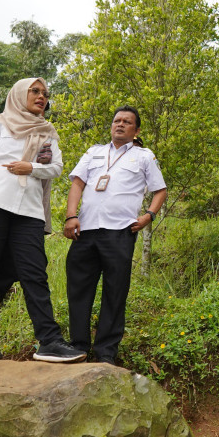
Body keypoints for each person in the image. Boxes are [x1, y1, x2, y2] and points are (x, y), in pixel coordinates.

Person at [0, 78, 85, 363]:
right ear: (18, 94)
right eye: (35, 91)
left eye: (45, 94)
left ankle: (49, 341)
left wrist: (32, 167)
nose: (42, 97)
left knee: (35, 274)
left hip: (28, 211)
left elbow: (56, 168)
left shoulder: (47, 132)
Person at [64, 106, 167, 365]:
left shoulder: (144, 156)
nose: (120, 124)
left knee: (115, 291)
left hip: (120, 232)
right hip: (85, 230)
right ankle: (77, 346)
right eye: (117, 120)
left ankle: (106, 352)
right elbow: (77, 183)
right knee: (79, 290)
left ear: (136, 130)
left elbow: (160, 190)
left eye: (127, 122)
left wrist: (149, 216)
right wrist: (70, 215)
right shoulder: (94, 152)